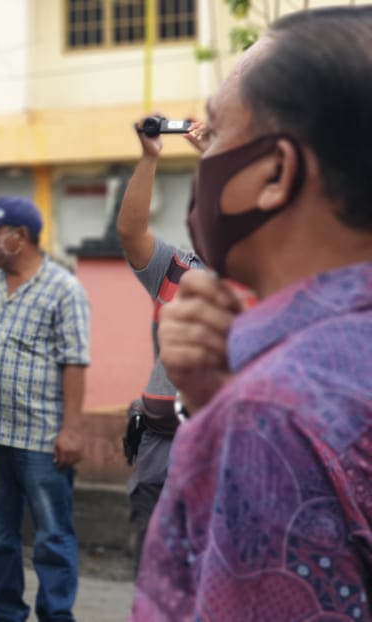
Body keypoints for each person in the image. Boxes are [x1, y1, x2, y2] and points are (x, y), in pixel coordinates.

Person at [134, 7, 372, 619]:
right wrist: (216, 401)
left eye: (214, 133)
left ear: (275, 173)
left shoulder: (271, 416)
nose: (204, 163)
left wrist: (234, 413)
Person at [0, 198, 90, 622]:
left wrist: (72, 430)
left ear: (20, 237)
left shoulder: (64, 289)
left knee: (52, 538)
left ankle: (56, 615)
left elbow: (75, 361)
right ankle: (7, 615)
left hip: (41, 439)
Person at [115, 117, 208, 563]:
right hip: (157, 447)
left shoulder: (261, 275)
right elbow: (131, 233)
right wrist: (149, 158)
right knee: (154, 573)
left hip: (215, 451)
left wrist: (214, 157)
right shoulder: (178, 268)